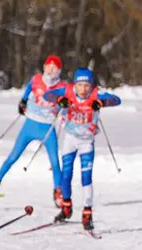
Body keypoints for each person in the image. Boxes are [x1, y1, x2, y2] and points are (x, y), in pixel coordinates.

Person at [0, 55, 67, 206]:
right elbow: (28, 89)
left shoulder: (62, 87)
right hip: (30, 125)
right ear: (44, 67)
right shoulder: (36, 79)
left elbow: (66, 105)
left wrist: (64, 109)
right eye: (48, 66)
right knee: (13, 156)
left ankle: (57, 192)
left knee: (54, 162)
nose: (50, 70)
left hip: (47, 128)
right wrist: (23, 102)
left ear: (59, 71)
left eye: (54, 68)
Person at [43, 68, 121, 231]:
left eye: (86, 85)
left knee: (86, 177)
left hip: (86, 142)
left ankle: (87, 213)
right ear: (75, 84)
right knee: (66, 175)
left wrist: (102, 103)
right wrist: (60, 100)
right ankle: (66, 207)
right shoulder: (68, 91)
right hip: (70, 139)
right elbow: (47, 95)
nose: (83, 89)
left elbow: (116, 100)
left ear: (91, 85)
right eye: (80, 85)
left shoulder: (96, 94)